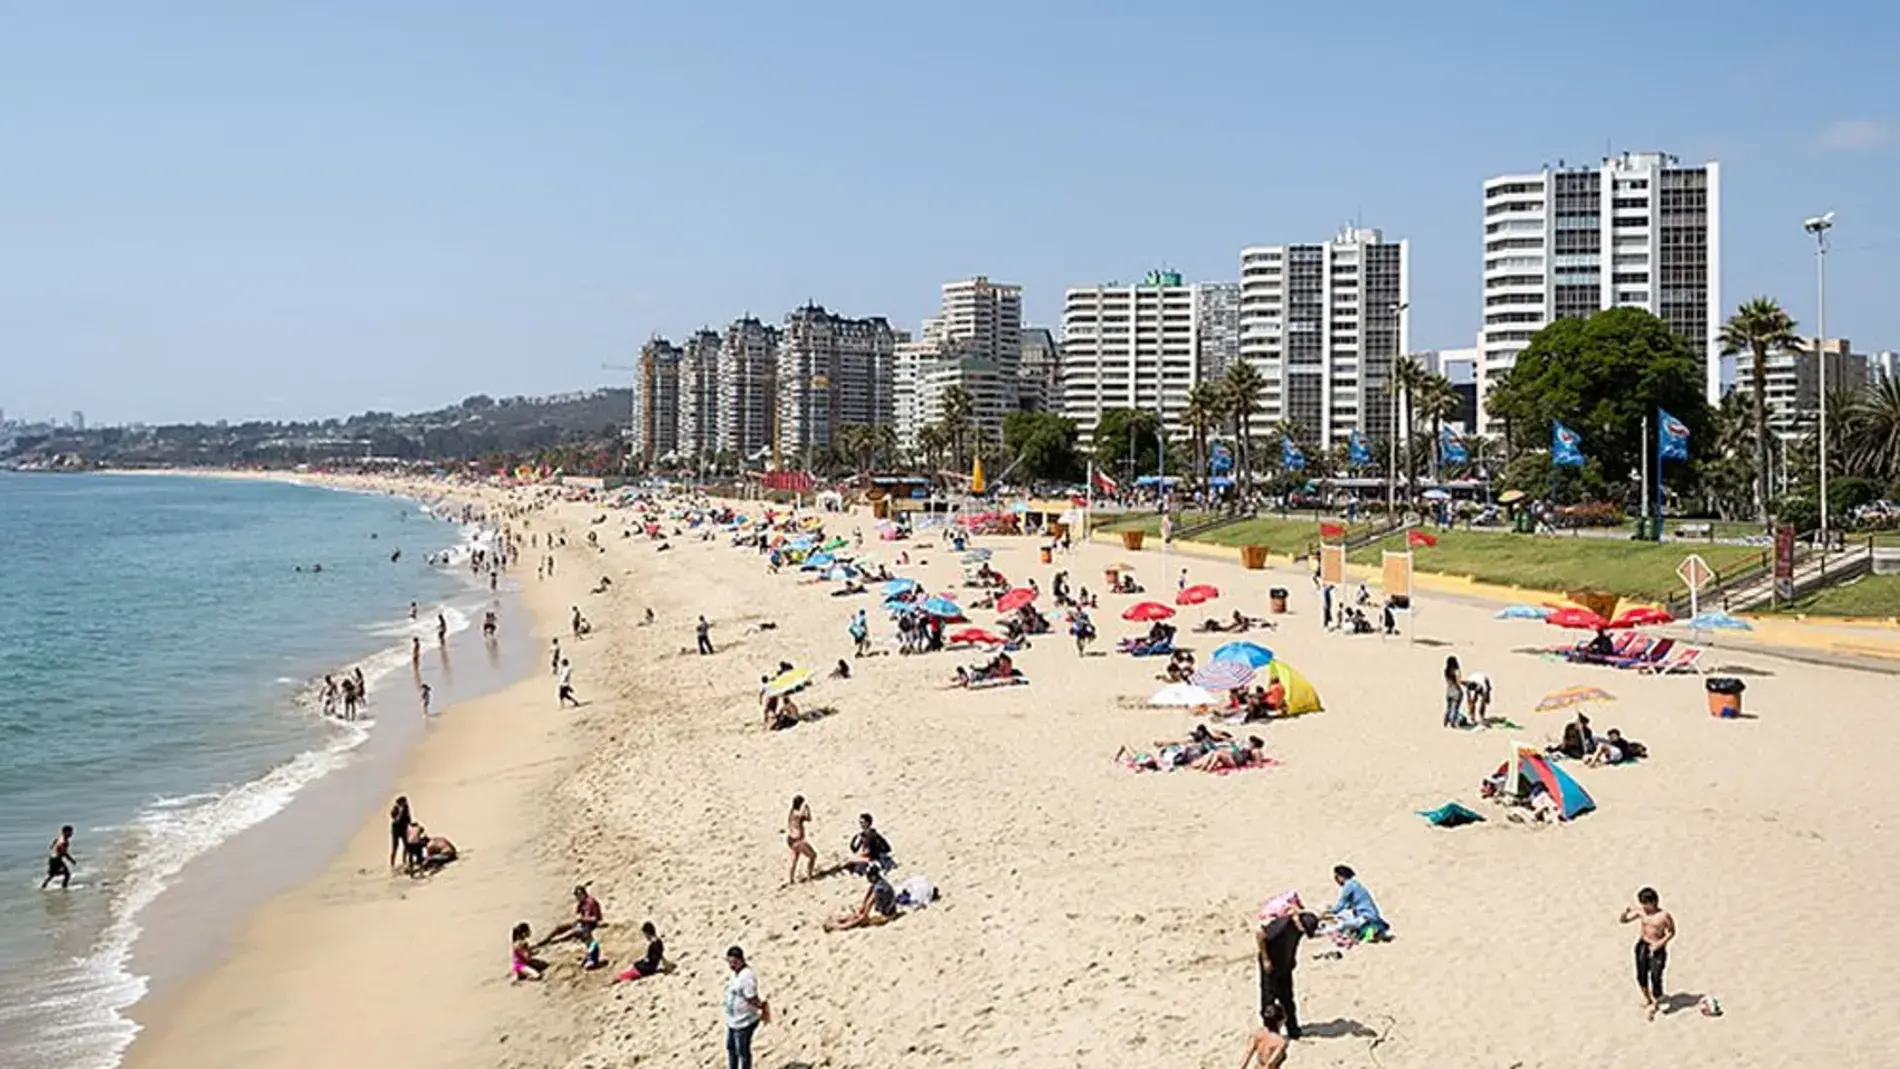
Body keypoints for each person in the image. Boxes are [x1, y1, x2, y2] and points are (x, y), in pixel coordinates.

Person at [1257, 910, 1318, 1039]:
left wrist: (1292, 959)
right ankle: (1271, 1031)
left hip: (1285, 965)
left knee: (1287, 998)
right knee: (1269, 1000)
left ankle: (1293, 1030)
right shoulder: (1282, 925)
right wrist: (1265, 959)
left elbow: (1293, 944)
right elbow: (1260, 934)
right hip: (1271, 966)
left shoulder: (1298, 929)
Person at [1620, 887, 1677, 1020]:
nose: (1644, 906)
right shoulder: (1641, 912)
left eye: (1646, 903)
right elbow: (1624, 921)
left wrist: (1660, 943)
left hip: (1657, 947)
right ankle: (1648, 999)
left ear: (1654, 902)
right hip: (1643, 945)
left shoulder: (1664, 916)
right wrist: (1624, 913)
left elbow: (1672, 932)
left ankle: (1658, 1000)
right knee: (1641, 974)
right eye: (1642, 903)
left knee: (1656, 975)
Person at [723, 946, 765, 1069]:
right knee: (731, 1048)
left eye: (734, 962)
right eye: (729, 962)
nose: (731, 966)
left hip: (744, 1021)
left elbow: (752, 998)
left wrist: (762, 1007)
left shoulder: (747, 977)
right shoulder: (735, 974)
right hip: (733, 1021)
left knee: (742, 1052)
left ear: (741, 960)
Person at [824, 865, 902, 931]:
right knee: (858, 914)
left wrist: (863, 915)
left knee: (859, 919)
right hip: (886, 911)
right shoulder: (879, 882)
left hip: (887, 916)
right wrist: (862, 908)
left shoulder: (879, 888)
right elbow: (867, 898)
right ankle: (840, 920)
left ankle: (836, 927)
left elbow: (869, 903)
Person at [1324, 864, 1388, 939]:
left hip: (1366, 917)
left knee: (1342, 925)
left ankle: (1371, 930)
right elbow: (1347, 906)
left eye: (1336, 877)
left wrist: (1327, 913)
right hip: (1370, 915)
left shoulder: (1348, 886)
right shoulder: (1355, 884)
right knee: (1342, 916)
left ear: (1341, 877)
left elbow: (1340, 906)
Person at [1238, 1004, 1290, 1069]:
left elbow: (1247, 1054)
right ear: (1280, 1021)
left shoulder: (1257, 1033)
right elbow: (1270, 1064)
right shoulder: (1281, 1042)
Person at [786, 796, 817, 884]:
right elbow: (808, 817)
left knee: (794, 858)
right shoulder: (798, 814)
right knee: (813, 856)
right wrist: (807, 808)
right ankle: (809, 875)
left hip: (791, 839)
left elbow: (806, 818)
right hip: (798, 840)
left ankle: (791, 879)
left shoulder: (792, 812)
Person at [42, 825, 76, 889]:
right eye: (70, 832)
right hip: (57, 859)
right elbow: (64, 853)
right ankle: (64, 888)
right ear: (65, 832)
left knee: (52, 874)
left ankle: (44, 886)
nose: (72, 834)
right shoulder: (64, 842)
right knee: (67, 875)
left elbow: (52, 846)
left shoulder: (60, 838)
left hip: (52, 858)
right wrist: (71, 860)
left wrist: (55, 849)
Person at [389, 796, 413, 870]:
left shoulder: (406, 808)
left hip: (403, 829)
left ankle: (404, 861)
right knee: (395, 847)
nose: (405, 803)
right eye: (404, 802)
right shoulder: (395, 809)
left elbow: (409, 819)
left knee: (406, 846)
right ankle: (392, 865)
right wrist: (400, 811)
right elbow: (396, 820)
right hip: (396, 830)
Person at [1442, 656, 1465, 729]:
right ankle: (1452, 722)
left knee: (1448, 707)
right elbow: (1458, 681)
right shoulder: (1457, 671)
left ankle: (1446, 720)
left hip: (1449, 690)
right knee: (1455, 708)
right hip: (1456, 690)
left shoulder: (1446, 671)